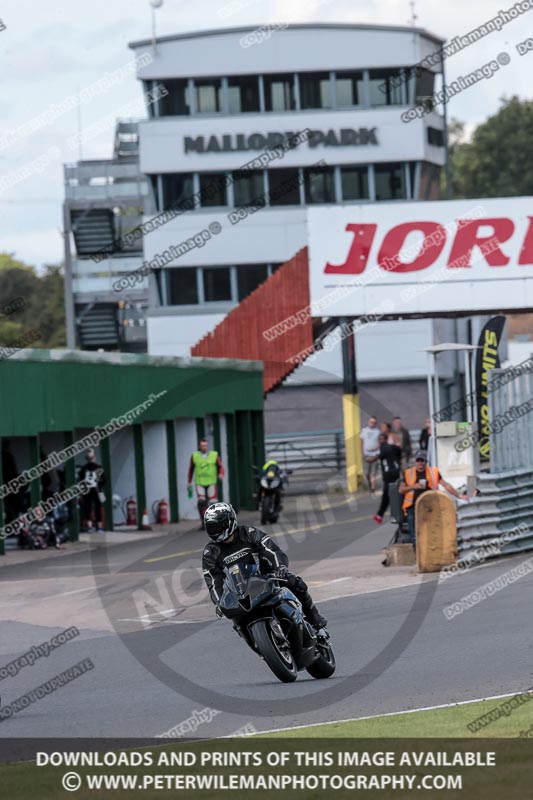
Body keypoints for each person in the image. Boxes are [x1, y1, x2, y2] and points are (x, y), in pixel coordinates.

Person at [202, 502, 327, 629]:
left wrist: (281, 568)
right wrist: (219, 602)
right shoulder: (210, 552)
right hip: (238, 591)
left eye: (218, 526)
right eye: (211, 527)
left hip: (266, 577)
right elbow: (213, 581)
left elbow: (272, 550)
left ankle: (314, 616)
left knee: (295, 582)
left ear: (229, 522)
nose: (215, 531)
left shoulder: (249, 533)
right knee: (235, 620)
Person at [399, 449, 468, 549]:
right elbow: (401, 490)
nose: (420, 463)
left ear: (426, 462)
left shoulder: (433, 472)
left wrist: (459, 496)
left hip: (430, 507)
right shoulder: (408, 473)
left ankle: (431, 555)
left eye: (422, 461)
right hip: (412, 508)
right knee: (415, 535)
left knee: (431, 532)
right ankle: (419, 558)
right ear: (415, 461)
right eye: (418, 460)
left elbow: (446, 485)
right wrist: (414, 486)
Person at [187, 437, 225, 530]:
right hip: (200, 482)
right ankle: (203, 522)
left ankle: (215, 522)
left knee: (213, 503)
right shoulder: (195, 456)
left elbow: (221, 467)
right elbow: (191, 469)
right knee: (201, 502)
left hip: (211, 481)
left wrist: (221, 474)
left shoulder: (214, 455)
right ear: (199, 446)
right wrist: (189, 482)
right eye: (203, 446)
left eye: (206, 446)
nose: (204, 447)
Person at [373, 433, 402, 524]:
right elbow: (400, 451)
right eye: (379, 439)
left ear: (385, 440)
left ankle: (391, 515)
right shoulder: (393, 447)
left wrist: (369, 459)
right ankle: (380, 515)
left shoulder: (382, 449)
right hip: (396, 472)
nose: (380, 441)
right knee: (392, 494)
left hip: (388, 474)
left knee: (388, 495)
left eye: (381, 439)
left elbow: (375, 457)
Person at [78, 449, 105, 532]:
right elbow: (104, 479)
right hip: (97, 490)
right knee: (97, 507)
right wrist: (100, 486)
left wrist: (81, 492)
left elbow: (80, 481)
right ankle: (99, 526)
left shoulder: (83, 468)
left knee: (88, 507)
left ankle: (90, 526)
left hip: (88, 490)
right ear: (94, 458)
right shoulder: (98, 468)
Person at [360, 415, 380, 493]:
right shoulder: (364, 431)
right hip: (366, 454)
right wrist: (362, 453)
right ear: (368, 422)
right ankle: (369, 482)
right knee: (366, 473)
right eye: (371, 422)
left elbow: (379, 442)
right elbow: (361, 443)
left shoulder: (378, 432)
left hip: (374, 454)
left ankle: (373, 486)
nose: (372, 424)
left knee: (373, 472)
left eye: (374, 422)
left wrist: (376, 449)